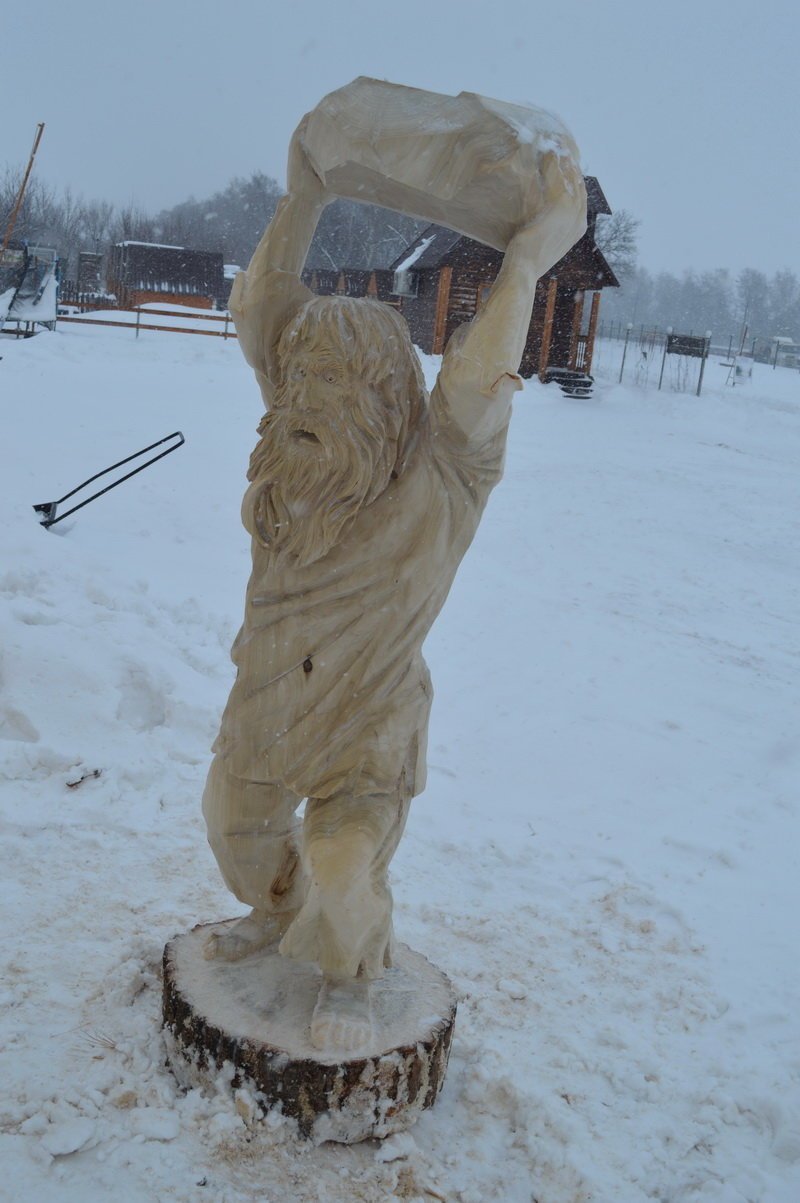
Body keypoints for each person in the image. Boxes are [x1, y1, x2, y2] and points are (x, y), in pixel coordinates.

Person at [202, 123, 586, 1053]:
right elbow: (264, 308)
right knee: (235, 828)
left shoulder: (439, 482)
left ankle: (349, 969)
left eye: (332, 384)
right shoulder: (290, 477)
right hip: (266, 704)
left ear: (382, 404)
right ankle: (277, 911)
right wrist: (304, 196)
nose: (301, 399)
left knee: (341, 863)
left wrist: (529, 255)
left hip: (366, 725)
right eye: (299, 380)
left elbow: (478, 378)